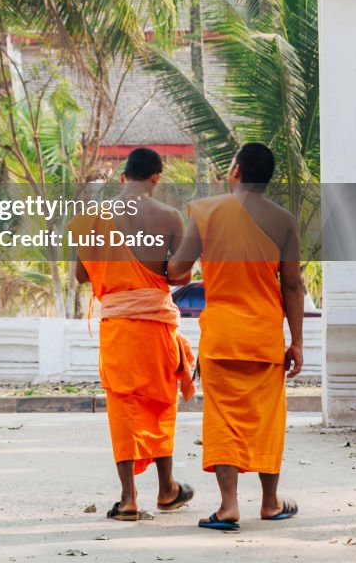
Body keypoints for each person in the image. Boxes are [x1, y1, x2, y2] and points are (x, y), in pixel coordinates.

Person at [167, 142, 304, 532]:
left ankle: (228, 506)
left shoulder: (207, 211)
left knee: (224, 420)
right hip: (263, 337)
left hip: (223, 336)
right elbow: (293, 287)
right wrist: (297, 342)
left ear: (236, 171)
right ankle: (270, 502)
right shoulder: (283, 221)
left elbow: (178, 268)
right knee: (267, 420)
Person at [71, 147, 196, 521]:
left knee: (123, 408)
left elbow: (80, 276)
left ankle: (128, 499)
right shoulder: (170, 216)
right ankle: (167, 489)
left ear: (123, 176)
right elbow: (177, 274)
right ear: (156, 177)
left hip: (118, 328)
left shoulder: (92, 217)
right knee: (160, 404)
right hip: (156, 326)